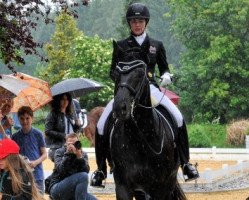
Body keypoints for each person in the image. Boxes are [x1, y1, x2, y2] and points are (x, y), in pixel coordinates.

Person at [91, 2, 199, 186]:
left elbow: (164, 68)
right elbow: (112, 71)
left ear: (146, 22)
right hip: (127, 91)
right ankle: (100, 170)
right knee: (102, 125)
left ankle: (186, 163)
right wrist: (120, 76)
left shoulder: (156, 45)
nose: (137, 24)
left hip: (151, 89)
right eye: (133, 21)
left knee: (178, 118)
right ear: (129, 23)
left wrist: (166, 76)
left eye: (140, 20)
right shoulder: (122, 46)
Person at [47, 133, 97, 200]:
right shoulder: (59, 152)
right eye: (70, 144)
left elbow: (86, 170)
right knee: (83, 176)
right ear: (66, 144)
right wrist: (68, 154)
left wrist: (79, 157)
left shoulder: (82, 154)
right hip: (57, 188)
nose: (73, 146)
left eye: (75, 144)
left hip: (74, 190)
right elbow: (61, 170)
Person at [12, 106, 47, 194]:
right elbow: (13, 156)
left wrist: (35, 162)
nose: (25, 121)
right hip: (21, 176)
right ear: (18, 119)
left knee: (39, 197)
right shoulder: (15, 137)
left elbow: (44, 154)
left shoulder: (38, 134)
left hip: (37, 175)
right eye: (22, 118)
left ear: (32, 118)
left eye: (27, 118)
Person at [45, 93, 81, 162]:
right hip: (58, 147)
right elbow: (48, 131)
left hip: (72, 146)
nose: (65, 101)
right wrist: (64, 136)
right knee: (61, 168)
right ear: (58, 100)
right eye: (62, 99)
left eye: (67, 99)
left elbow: (75, 131)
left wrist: (77, 125)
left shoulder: (70, 115)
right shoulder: (52, 114)